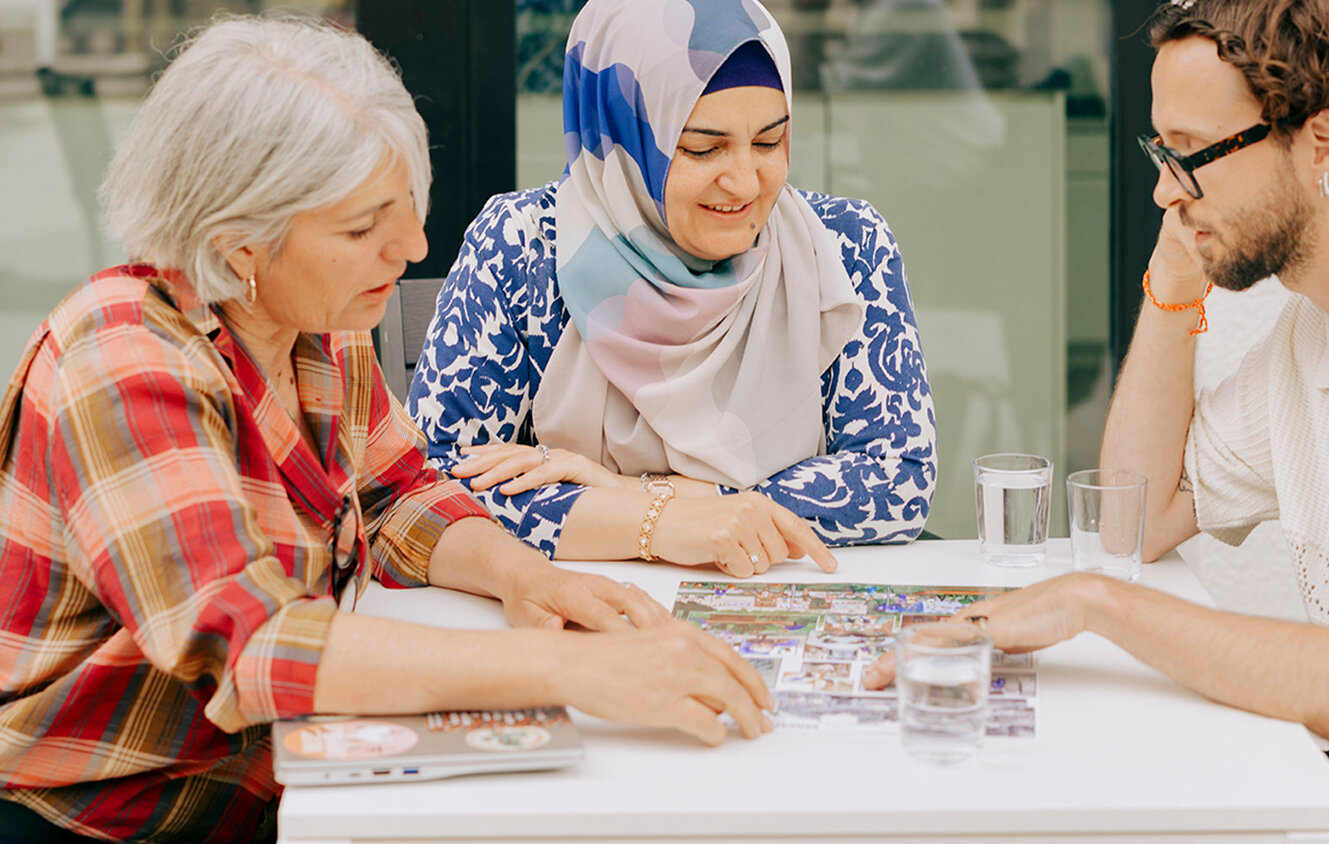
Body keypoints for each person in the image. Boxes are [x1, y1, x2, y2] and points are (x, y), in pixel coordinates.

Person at [0, 17, 773, 844]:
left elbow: (399, 493)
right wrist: (573, 669)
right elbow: (253, 646)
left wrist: (525, 577)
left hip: (271, 786)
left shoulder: (316, 321)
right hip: (106, 820)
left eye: (406, 206)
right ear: (240, 245)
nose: (412, 246)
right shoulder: (122, 362)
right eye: (362, 227)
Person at [869, 0, 1329, 839]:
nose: (1166, 191)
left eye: (1190, 154)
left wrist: (1094, 604)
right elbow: (1136, 519)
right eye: (1159, 153)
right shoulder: (1313, 334)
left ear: (1324, 145)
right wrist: (1172, 283)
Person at [405, 0, 937, 578]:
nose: (744, 182)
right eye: (702, 148)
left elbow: (898, 478)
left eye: (769, 142)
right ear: (624, 133)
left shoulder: (842, 245)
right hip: (581, 613)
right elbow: (428, 487)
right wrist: (661, 524)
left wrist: (646, 496)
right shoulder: (523, 247)